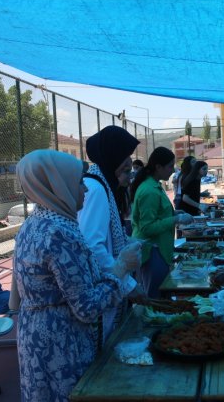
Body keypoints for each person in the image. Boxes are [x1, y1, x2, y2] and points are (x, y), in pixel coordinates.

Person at [14, 149, 141, 402]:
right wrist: (121, 268)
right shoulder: (60, 234)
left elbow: (15, 297)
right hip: (61, 342)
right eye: (78, 182)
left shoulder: (33, 224)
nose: (84, 189)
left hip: (35, 335)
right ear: (58, 186)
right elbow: (87, 307)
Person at [78, 126, 145, 341]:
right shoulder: (96, 189)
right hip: (102, 285)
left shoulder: (103, 185)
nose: (129, 177)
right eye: (125, 170)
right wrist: (126, 283)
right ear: (110, 163)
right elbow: (92, 246)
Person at [131, 147, 193, 298]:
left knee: (163, 293)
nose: (173, 170)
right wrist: (176, 219)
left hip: (160, 249)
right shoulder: (149, 191)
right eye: (170, 166)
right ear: (158, 167)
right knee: (156, 296)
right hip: (152, 250)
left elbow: (159, 214)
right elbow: (147, 227)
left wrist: (175, 213)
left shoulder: (155, 186)